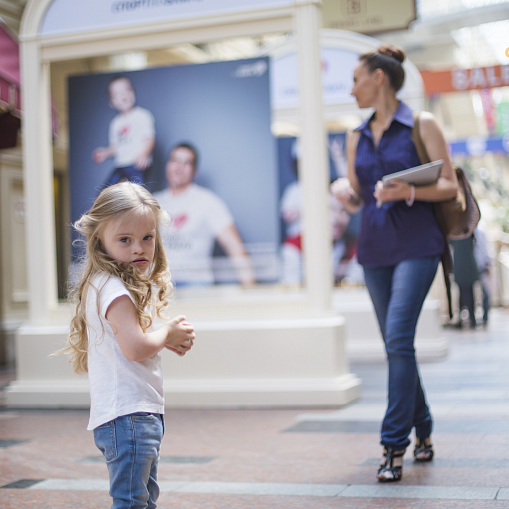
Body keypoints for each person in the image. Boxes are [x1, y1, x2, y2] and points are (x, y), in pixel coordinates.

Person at [331, 45, 458, 482]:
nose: (352, 90)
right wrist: (340, 191)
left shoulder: (421, 123)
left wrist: (407, 191)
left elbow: (449, 184)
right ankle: (423, 430)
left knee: (399, 338)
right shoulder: (355, 135)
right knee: (397, 345)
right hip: (374, 249)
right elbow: (356, 196)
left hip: (418, 244)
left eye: (355, 80)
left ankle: (392, 445)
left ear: (378, 79)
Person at [62, 182, 195, 508]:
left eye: (147, 237)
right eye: (125, 240)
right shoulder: (115, 289)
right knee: (132, 502)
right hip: (130, 416)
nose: (139, 248)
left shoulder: (105, 283)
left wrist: (164, 339)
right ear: (100, 239)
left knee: (141, 499)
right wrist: (168, 333)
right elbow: (135, 349)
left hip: (129, 415)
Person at [153, 142, 255, 286]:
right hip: (161, 284)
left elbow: (236, 249)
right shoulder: (152, 202)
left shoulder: (208, 202)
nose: (179, 167)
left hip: (196, 283)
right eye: (174, 160)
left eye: (186, 162)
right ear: (167, 165)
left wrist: (250, 294)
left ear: (195, 171)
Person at [92, 76, 156, 187]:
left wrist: (144, 154)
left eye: (127, 91)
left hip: (137, 164)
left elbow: (150, 138)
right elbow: (115, 147)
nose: (123, 96)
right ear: (111, 102)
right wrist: (105, 153)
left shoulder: (142, 115)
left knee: (138, 194)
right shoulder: (115, 123)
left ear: (133, 93)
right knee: (106, 192)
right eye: (117, 94)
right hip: (121, 165)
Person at [450, 235, 479, 328]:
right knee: (466, 294)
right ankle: (468, 318)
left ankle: (468, 318)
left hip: (463, 267)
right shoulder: (466, 234)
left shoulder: (460, 234)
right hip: (463, 267)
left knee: (466, 294)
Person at [473, 222, 492, 327]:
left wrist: (487, 263)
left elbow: (485, 247)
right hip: (471, 265)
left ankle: (485, 317)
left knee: (486, 292)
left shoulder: (480, 229)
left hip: (481, 265)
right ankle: (473, 317)